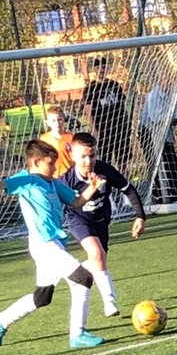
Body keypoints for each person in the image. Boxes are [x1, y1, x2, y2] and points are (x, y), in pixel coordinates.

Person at [0, 139, 106, 349]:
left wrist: (92, 188)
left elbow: (76, 202)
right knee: (83, 278)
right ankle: (78, 334)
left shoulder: (52, 182)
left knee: (43, 296)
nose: (55, 168)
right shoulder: (26, 180)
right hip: (43, 244)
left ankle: (1, 320)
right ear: (36, 161)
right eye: (51, 163)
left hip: (53, 243)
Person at [61, 132, 146, 317]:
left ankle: (75, 274)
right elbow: (67, 204)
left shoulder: (105, 170)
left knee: (98, 260)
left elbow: (128, 189)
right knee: (96, 253)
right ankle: (110, 302)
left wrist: (140, 216)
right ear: (72, 156)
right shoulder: (66, 181)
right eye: (82, 156)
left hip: (101, 219)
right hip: (78, 219)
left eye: (92, 155)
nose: (88, 161)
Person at [139, 72, 177, 204]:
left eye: (168, 78)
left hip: (166, 132)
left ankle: (173, 196)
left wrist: (175, 116)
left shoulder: (175, 93)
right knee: (154, 163)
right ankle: (159, 195)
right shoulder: (153, 96)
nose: (166, 81)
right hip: (148, 131)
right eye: (163, 78)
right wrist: (173, 116)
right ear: (158, 81)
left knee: (171, 159)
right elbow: (156, 118)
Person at [81, 57, 129, 169]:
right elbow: (88, 111)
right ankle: (107, 184)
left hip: (119, 126)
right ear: (94, 69)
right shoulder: (91, 89)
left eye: (103, 67)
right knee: (105, 159)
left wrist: (126, 123)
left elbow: (122, 103)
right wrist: (94, 130)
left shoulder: (114, 85)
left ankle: (123, 182)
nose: (101, 70)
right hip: (103, 129)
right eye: (98, 67)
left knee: (123, 158)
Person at [37, 106, 74, 176]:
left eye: (59, 120)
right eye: (53, 120)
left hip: (69, 176)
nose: (57, 123)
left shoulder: (71, 138)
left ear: (64, 119)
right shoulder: (44, 139)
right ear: (47, 122)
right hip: (53, 176)